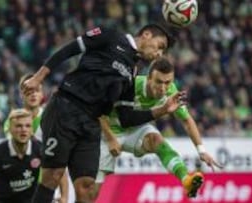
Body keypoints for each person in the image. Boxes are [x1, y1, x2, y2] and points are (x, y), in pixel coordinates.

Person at [23, 24, 186, 203]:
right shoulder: (111, 35)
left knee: (87, 188)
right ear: (146, 35)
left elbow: (126, 118)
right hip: (67, 107)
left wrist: (163, 110)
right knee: (52, 176)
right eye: (160, 46)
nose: (159, 54)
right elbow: (70, 49)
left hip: (92, 122)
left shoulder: (132, 71)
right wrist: (39, 77)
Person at [94, 57, 223, 199]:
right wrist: (110, 137)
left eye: (167, 82)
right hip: (108, 133)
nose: (163, 88)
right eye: (158, 82)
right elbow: (99, 110)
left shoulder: (171, 93)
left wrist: (201, 150)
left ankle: (186, 180)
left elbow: (187, 120)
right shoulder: (131, 84)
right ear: (149, 78)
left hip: (135, 130)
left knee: (157, 140)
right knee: (91, 192)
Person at [3, 73, 71, 203]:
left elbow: (59, 162)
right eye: (29, 91)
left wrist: (64, 197)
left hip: (46, 189)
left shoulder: (52, 121)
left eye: (37, 90)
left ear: (42, 94)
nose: (33, 94)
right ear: (21, 95)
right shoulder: (12, 121)